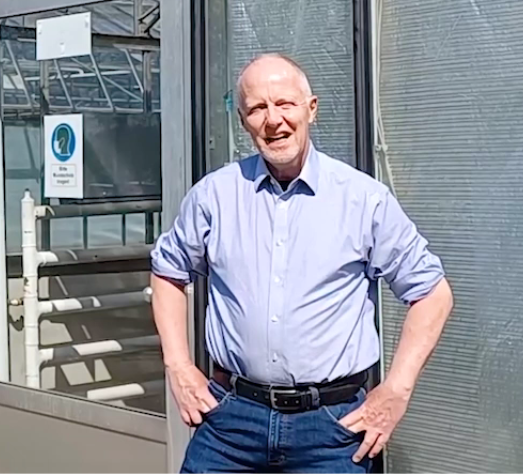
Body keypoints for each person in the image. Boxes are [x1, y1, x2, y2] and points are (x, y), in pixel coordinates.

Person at [150, 52, 454, 473]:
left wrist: (397, 390)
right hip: (231, 425)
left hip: (330, 429)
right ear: (243, 121)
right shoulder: (214, 197)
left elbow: (432, 294)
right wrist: (179, 366)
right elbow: (168, 271)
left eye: (285, 104)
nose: (273, 119)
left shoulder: (362, 200)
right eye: (257, 108)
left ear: (311, 109)